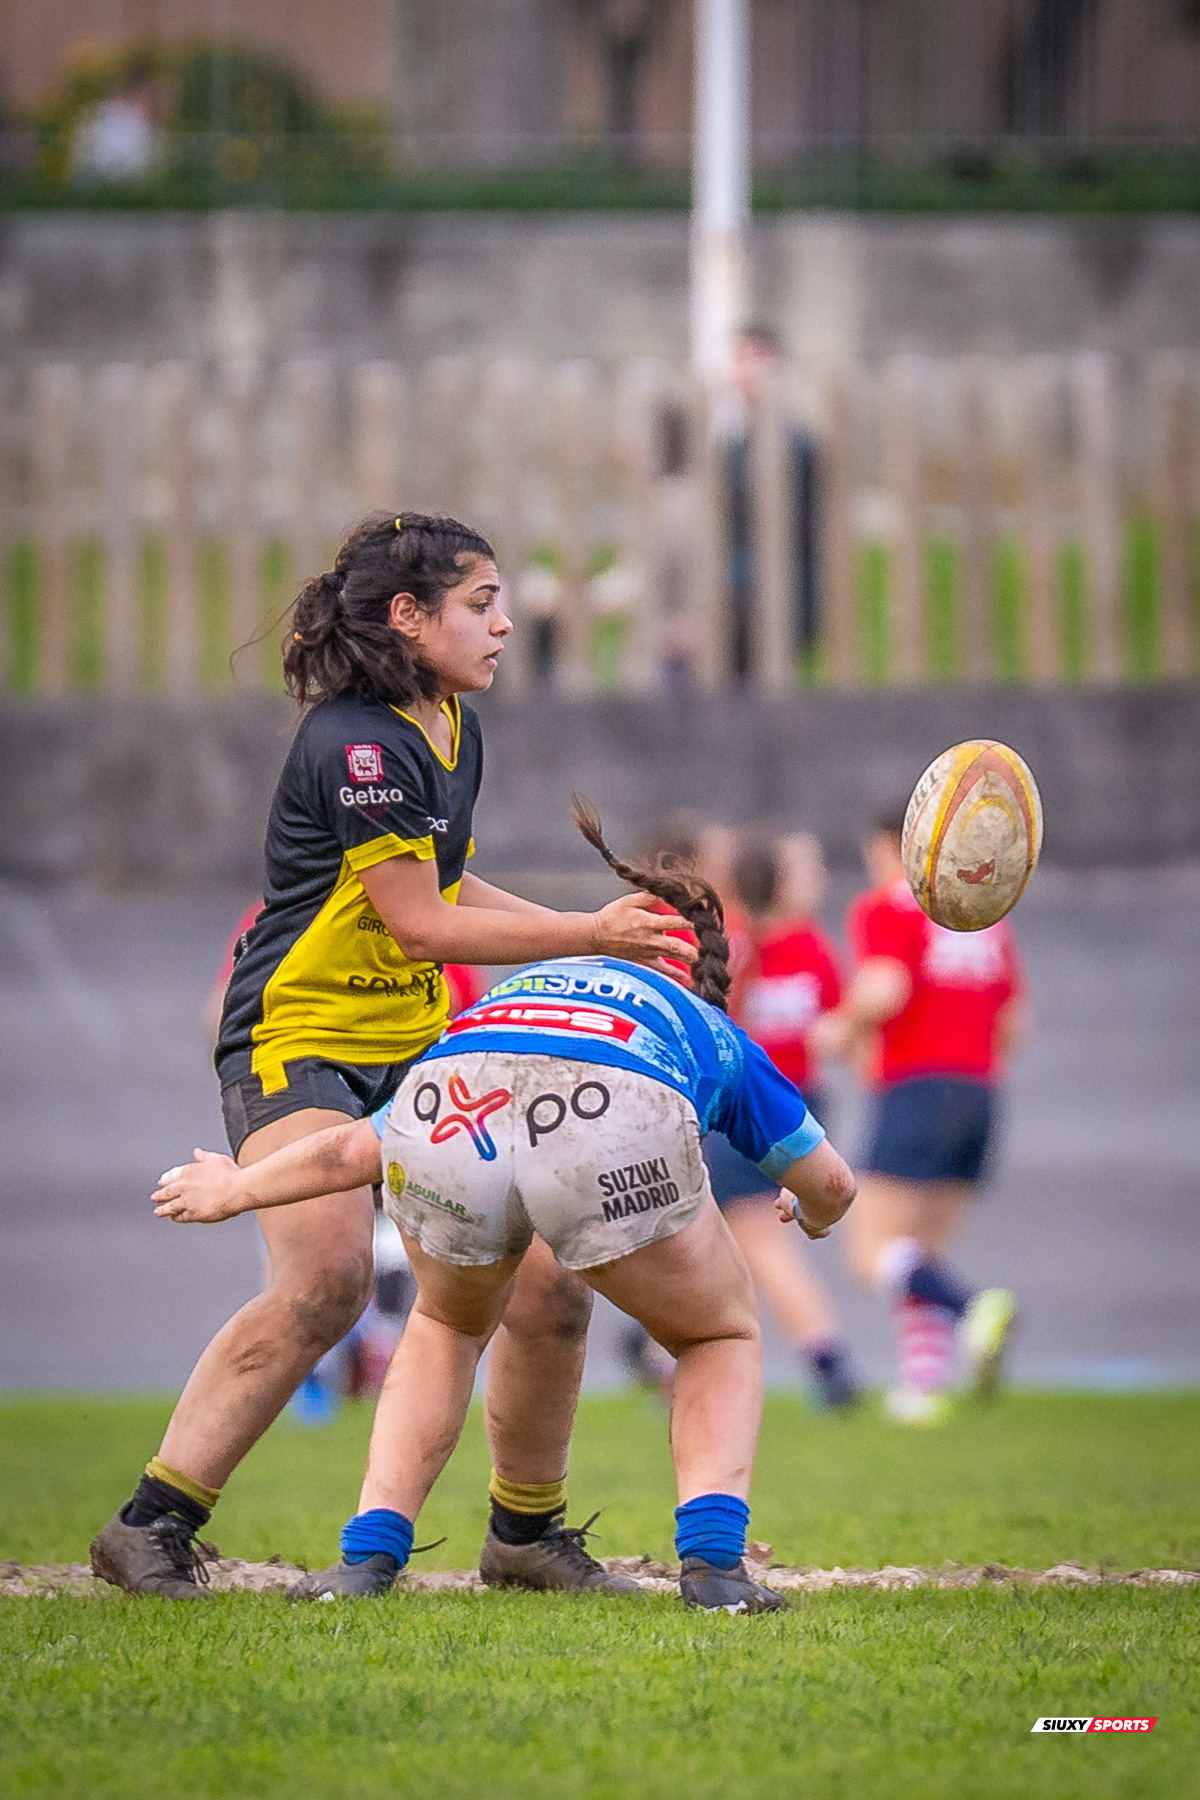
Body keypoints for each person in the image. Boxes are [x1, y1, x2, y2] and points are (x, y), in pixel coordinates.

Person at [90, 511, 694, 1600]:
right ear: (409, 618)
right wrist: (588, 934)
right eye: (482, 604)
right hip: (299, 1035)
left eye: (503, 603)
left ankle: (525, 1536)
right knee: (325, 1281)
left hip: (417, 1043)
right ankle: (149, 1525)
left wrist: (595, 929)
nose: (507, 624)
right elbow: (419, 922)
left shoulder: (451, 723)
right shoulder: (357, 744)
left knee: (553, 1284)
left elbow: (447, 888)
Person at [152, 804, 857, 1614]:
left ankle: (368, 1560)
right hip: (613, 1114)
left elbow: (354, 1149)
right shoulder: (708, 1026)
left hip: (459, 1097)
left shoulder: (517, 994)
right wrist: (815, 1217)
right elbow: (831, 1183)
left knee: (447, 1325)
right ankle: (714, 1569)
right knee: (716, 1332)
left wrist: (236, 1188)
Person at [816, 811, 1028, 1425]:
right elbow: (1015, 1025)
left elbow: (885, 989)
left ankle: (972, 1308)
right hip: (981, 1092)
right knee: (920, 1253)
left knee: (870, 1252)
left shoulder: (890, 907)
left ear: (894, 846)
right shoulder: (986, 914)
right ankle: (923, 1386)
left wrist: (842, 1029)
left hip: (915, 1086)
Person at [715, 827, 862, 1408]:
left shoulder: (732, 945)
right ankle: (659, 1355)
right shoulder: (809, 943)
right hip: (804, 1105)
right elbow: (838, 1029)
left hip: (745, 1110)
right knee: (727, 1240)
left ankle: (828, 1359)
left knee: (754, 1239)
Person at [724, 324, 821, 681]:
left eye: (756, 358)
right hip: (734, 596)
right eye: (739, 359)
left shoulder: (799, 447)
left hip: (779, 594)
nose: (746, 371)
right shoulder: (732, 447)